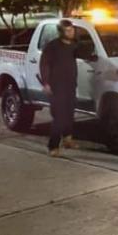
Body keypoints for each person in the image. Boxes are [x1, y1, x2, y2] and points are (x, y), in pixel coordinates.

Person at [40, 19, 80, 157]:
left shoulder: (74, 45)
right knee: (59, 117)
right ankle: (53, 146)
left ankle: (68, 140)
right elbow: (44, 64)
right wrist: (46, 83)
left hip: (70, 85)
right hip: (57, 87)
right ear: (61, 32)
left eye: (72, 30)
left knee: (69, 113)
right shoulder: (53, 46)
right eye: (68, 30)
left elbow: (84, 56)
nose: (71, 32)